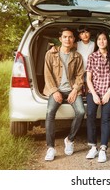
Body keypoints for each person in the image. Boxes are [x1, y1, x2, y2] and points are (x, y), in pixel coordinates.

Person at [43, 27, 85, 161]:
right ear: (60, 39)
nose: (68, 39)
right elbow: (47, 74)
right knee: (50, 112)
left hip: (72, 89)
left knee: (81, 112)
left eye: (71, 37)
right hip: (56, 89)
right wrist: (55, 91)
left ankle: (70, 139)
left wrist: (74, 90)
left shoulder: (77, 56)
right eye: (65, 37)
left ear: (74, 40)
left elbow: (80, 75)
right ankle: (50, 148)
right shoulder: (50, 54)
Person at [85, 30, 110, 163]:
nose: (101, 41)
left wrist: (108, 93)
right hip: (94, 91)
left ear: (107, 41)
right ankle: (93, 147)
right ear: (96, 41)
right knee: (90, 115)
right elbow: (88, 78)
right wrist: (94, 94)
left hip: (109, 91)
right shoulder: (92, 57)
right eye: (99, 39)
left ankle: (103, 149)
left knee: (105, 119)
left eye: (104, 39)